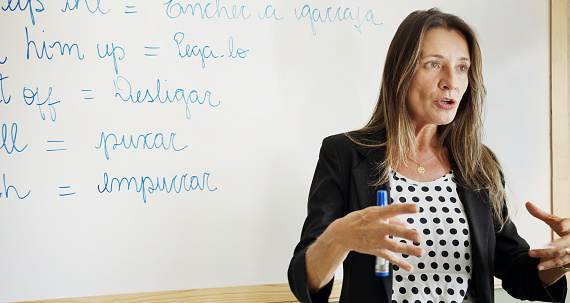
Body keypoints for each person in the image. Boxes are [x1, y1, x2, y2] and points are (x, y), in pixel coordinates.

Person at [288, 8, 569, 303]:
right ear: (402, 71)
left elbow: (516, 270)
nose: (452, 81)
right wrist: (338, 238)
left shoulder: (478, 163)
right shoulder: (344, 155)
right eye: (433, 64)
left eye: (462, 67)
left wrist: (562, 260)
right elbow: (304, 283)